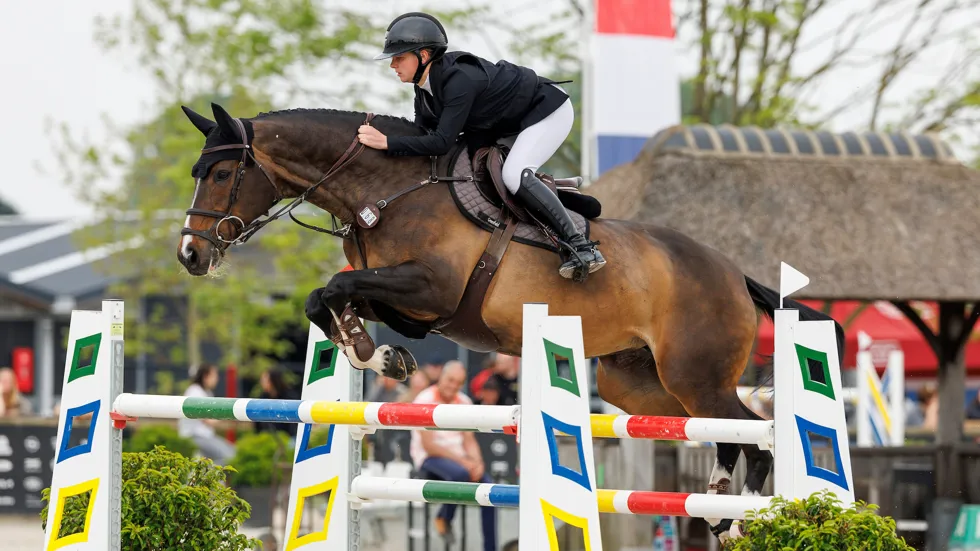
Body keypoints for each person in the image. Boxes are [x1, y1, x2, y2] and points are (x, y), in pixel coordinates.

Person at [360, 12, 606, 281]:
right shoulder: (424, 89)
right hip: (504, 123)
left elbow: (440, 142)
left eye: (399, 57)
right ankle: (563, 197)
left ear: (424, 55)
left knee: (514, 175)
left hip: (546, 111)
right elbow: (424, 136)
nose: (393, 65)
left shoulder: (459, 79)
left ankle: (582, 247)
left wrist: (386, 142)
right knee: (477, 171)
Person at [410, 361, 496, 550]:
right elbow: (429, 446)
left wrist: (477, 463)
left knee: (489, 490)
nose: (454, 386)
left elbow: (469, 440)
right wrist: (465, 462)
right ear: (441, 377)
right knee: (460, 474)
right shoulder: (424, 399)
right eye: (450, 380)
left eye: (459, 382)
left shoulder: (464, 401)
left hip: (459, 462)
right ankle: (444, 517)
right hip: (429, 459)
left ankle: (490, 547)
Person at [178, 364, 236, 465]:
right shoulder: (195, 391)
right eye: (214, 376)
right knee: (229, 456)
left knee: (232, 452)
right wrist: (229, 415)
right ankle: (212, 474)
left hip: (205, 436)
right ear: (205, 376)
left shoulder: (206, 393)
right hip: (194, 436)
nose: (217, 379)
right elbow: (208, 420)